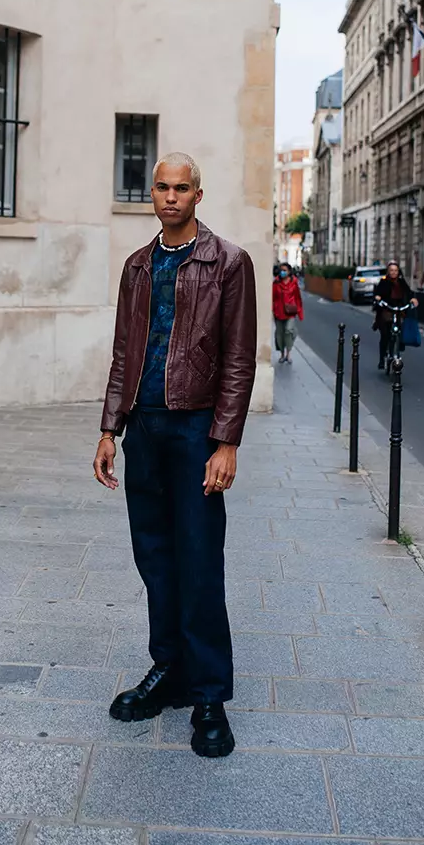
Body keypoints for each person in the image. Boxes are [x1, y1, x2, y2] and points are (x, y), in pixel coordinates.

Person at [94, 153, 256, 759]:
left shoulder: (228, 263)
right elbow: (122, 355)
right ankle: (168, 670)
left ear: (198, 194)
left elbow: (240, 360)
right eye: (160, 187)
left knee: (198, 559)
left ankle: (209, 692)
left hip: (196, 431)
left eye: (180, 188)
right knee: (154, 558)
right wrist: (110, 429)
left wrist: (226, 441)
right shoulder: (137, 267)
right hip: (147, 429)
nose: (169, 197)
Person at [373, 260, 418, 369]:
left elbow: (408, 291)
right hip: (387, 308)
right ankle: (382, 358)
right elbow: (377, 293)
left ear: (398, 272)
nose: (393, 272)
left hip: (398, 309)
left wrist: (413, 298)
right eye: (391, 270)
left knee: (401, 327)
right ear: (388, 272)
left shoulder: (401, 282)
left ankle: (398, 347)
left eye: (395, 270)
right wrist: (378, 298)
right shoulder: (384, 282)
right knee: (385, 335)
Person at [272, 261, 303, 364]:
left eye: (285, 270)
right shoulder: (276, 283)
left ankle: (288, 354)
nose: (282, 272)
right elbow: (272, 297)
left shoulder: (294, 282)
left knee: (289, 331)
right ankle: (282, 354)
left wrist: (300, 312)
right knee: (280, 334)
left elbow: (298, 297)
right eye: (281, 270)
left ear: (289, 271)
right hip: (279, 312)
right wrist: (273, 309)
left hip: (290, 311)